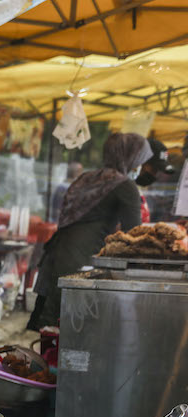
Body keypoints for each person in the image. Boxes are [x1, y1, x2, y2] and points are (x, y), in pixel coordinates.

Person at [27, 133, 152, 331]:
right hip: (83, 266)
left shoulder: (87, 178)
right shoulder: (125, 186)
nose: (138, 167)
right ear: (128, 157)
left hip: (57, 257)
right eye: (138, 161)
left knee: (50, 333)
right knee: (75, 331)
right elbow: (134, 234)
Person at [136, 138, 175, 223]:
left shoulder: (136, 190)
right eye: (154, 169)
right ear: (141, 161)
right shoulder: (120, 186)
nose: (155, 175)